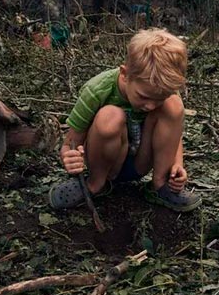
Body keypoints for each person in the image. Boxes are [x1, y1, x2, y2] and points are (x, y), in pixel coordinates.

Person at [48, 28, 201, 212]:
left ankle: (160, 186)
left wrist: (177, 164)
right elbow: (69, 143)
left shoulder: (163, 89)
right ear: (124, 74)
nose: (151, 106)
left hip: (140, 162)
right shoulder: (97, 90)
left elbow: (173, 134)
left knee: (174, 104)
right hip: (106, 162)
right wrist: (69, 157)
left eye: (158, 99)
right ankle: (95, 185)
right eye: (144, 97)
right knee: (111, 116)